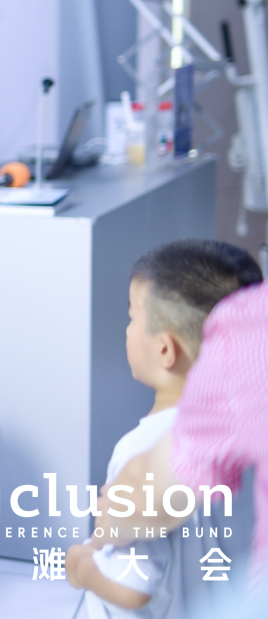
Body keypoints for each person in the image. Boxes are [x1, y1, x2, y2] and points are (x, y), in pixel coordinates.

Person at [65, 241, 259, 617]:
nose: (127, 329)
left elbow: (131, 587)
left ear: (166, 350)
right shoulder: (251, 431)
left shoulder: (141, 451)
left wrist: (81, 567)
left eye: (132, 317)